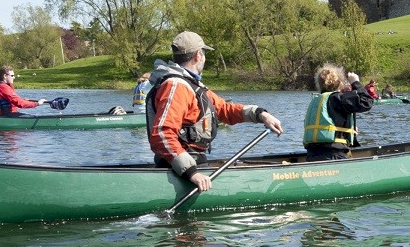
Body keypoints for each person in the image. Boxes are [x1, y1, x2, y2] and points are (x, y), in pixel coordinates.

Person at [145, 31, 283, 193]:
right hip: (181, 172)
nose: (204, 57)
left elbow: (225, 110)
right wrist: (192, 173)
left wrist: (260, 114)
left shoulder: (191, 86)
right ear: (198, 56)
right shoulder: (177, 86)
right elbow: (162, 134)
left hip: (192, 166)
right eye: (203, 53)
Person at [304, 63, 375, 161]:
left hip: (312, 155)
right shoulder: (338, 99)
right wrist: (355, 83)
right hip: (334, 155)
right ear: (340, 83)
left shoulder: (317, 100)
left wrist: (347, 129)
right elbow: (367, 102)